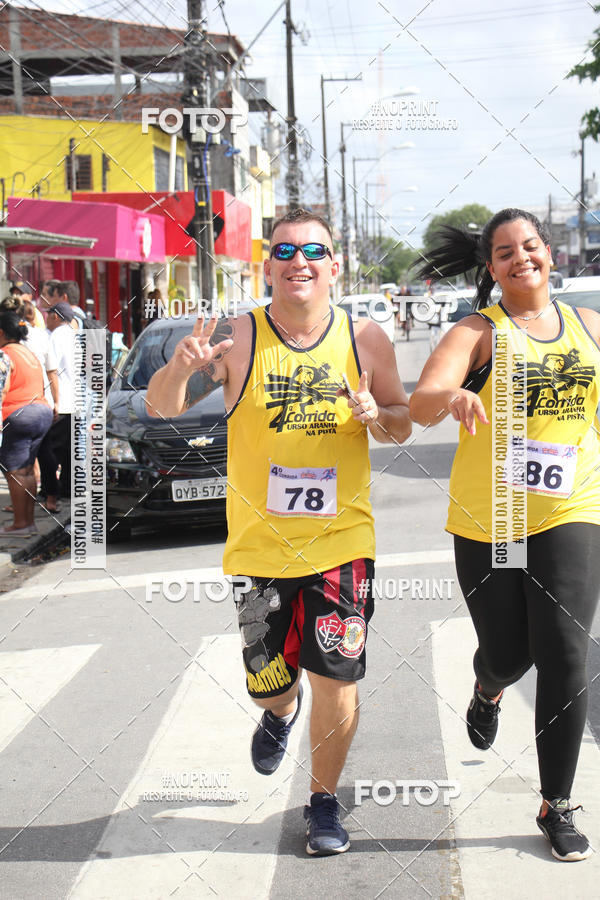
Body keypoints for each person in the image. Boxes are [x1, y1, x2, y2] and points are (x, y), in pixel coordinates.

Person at [146, 208, 411, 856]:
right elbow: (160, 405)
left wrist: (379, 414)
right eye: (285, 249)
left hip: (341, 544)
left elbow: (403, 421)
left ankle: (323, 801)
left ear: (334, 264)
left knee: (338, 677)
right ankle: (279, 713)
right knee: (273, 681)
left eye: (314, 250)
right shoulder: (239, 336)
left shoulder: (366, 339)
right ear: (268, 264)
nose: (300, 261)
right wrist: (181, 368)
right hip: (259, 551)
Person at [409, 208, 600, 862]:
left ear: (549, 253)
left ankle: (558, 801)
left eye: (530, 246)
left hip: (573, 508)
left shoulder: (589, 328)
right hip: (495, 522)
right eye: (505, 252)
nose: (521, 258)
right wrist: (454, 398)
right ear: (491, 267)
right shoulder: (477, 333)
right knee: (510, 654)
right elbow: (423, 399)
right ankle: (488, 685)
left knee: (568, 654)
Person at [0, 310, 53, 534]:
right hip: (41, 412)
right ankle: (28, 522)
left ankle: (21, 523)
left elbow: (0, 390)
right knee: (27, 470)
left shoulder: (5, 354)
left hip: (20, 414)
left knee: (15, 471)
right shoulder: (28, 353)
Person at [37, 302, 75, 511]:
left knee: (50, 450)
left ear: (56, 316)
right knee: (67, 450)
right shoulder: (73, 335)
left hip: (61, 399)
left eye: (48, 313)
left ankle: (51, 491)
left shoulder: (56, 337)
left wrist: (55, 401)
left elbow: (51, 370)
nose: (46, 317)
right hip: (73, 399)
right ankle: (67, 487)